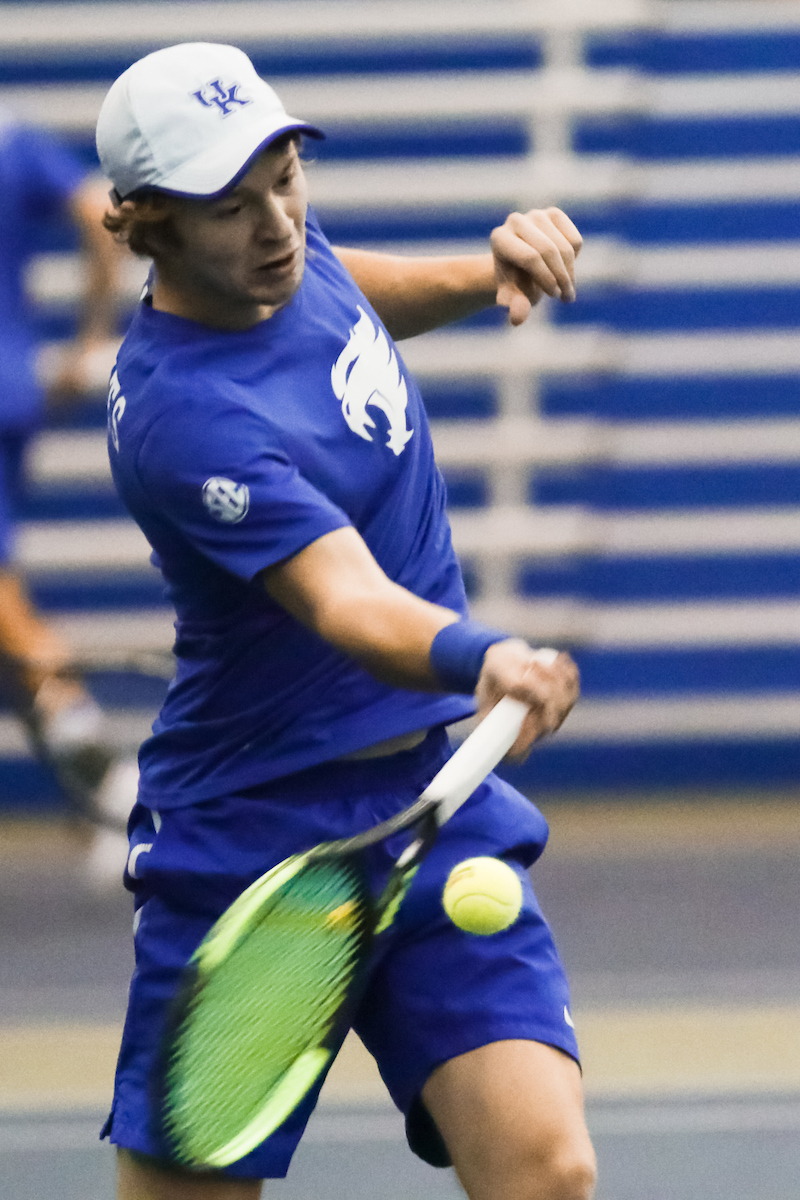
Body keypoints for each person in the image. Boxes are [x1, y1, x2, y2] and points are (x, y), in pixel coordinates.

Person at [95, 42, 596, 1200]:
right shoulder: (185, 421)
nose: (275, 222)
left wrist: (481, 275)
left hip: (432, 797)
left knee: (544, 1170)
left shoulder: (272, 256)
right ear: (145, 226)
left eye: (285, 177)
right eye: (232, 205)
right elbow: (343, 597)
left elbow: (336, 292)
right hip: (257, 841)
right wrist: (486, 655)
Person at [0, 105, 136, 883]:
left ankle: (124, 799)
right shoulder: (15, 139)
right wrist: (90, 338)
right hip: (15, 386)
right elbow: (101, 215)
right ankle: (100, 808)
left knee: (8, 613)